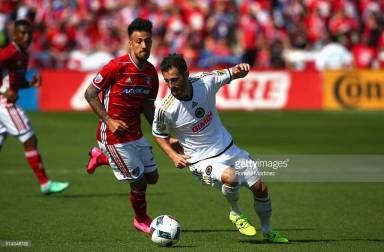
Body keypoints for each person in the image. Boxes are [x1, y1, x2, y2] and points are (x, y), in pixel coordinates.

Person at [152, 53, 289, 243]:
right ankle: (236, 213)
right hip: (201, 161)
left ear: (186, 73)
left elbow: (230, 73)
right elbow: (158, 134)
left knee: (261, 188)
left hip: (229, 149)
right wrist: (173, 156)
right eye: (167, 81)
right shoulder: (165, 108)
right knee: (230, 177)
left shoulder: (205, 82)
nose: (171, 85)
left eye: (175, 79)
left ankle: (268, 232)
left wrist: (241, 69)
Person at [84, 18, 161, 234]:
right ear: (130, 43)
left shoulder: (151, 73)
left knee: (152, 178)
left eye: (147, 41)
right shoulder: (115, 67)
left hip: (135, 134)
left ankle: (100, 157)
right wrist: (109, 120)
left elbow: (148, 107)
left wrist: (160, 132)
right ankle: (141, 220)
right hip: (112, 135)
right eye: (138, 41)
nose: (144, 46)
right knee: (139, 182)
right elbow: (89, 94)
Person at [0, 19, 69, 195]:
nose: (26, 37)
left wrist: (29, 83)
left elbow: (15, 81)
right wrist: (4, 90)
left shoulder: (23, 54)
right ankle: (45, 183)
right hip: (4, 104)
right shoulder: (9, 52)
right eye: (22, 33)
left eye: (29, 33)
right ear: (14, 35)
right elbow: (8, 86)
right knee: (29, 139)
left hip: (6, 102)